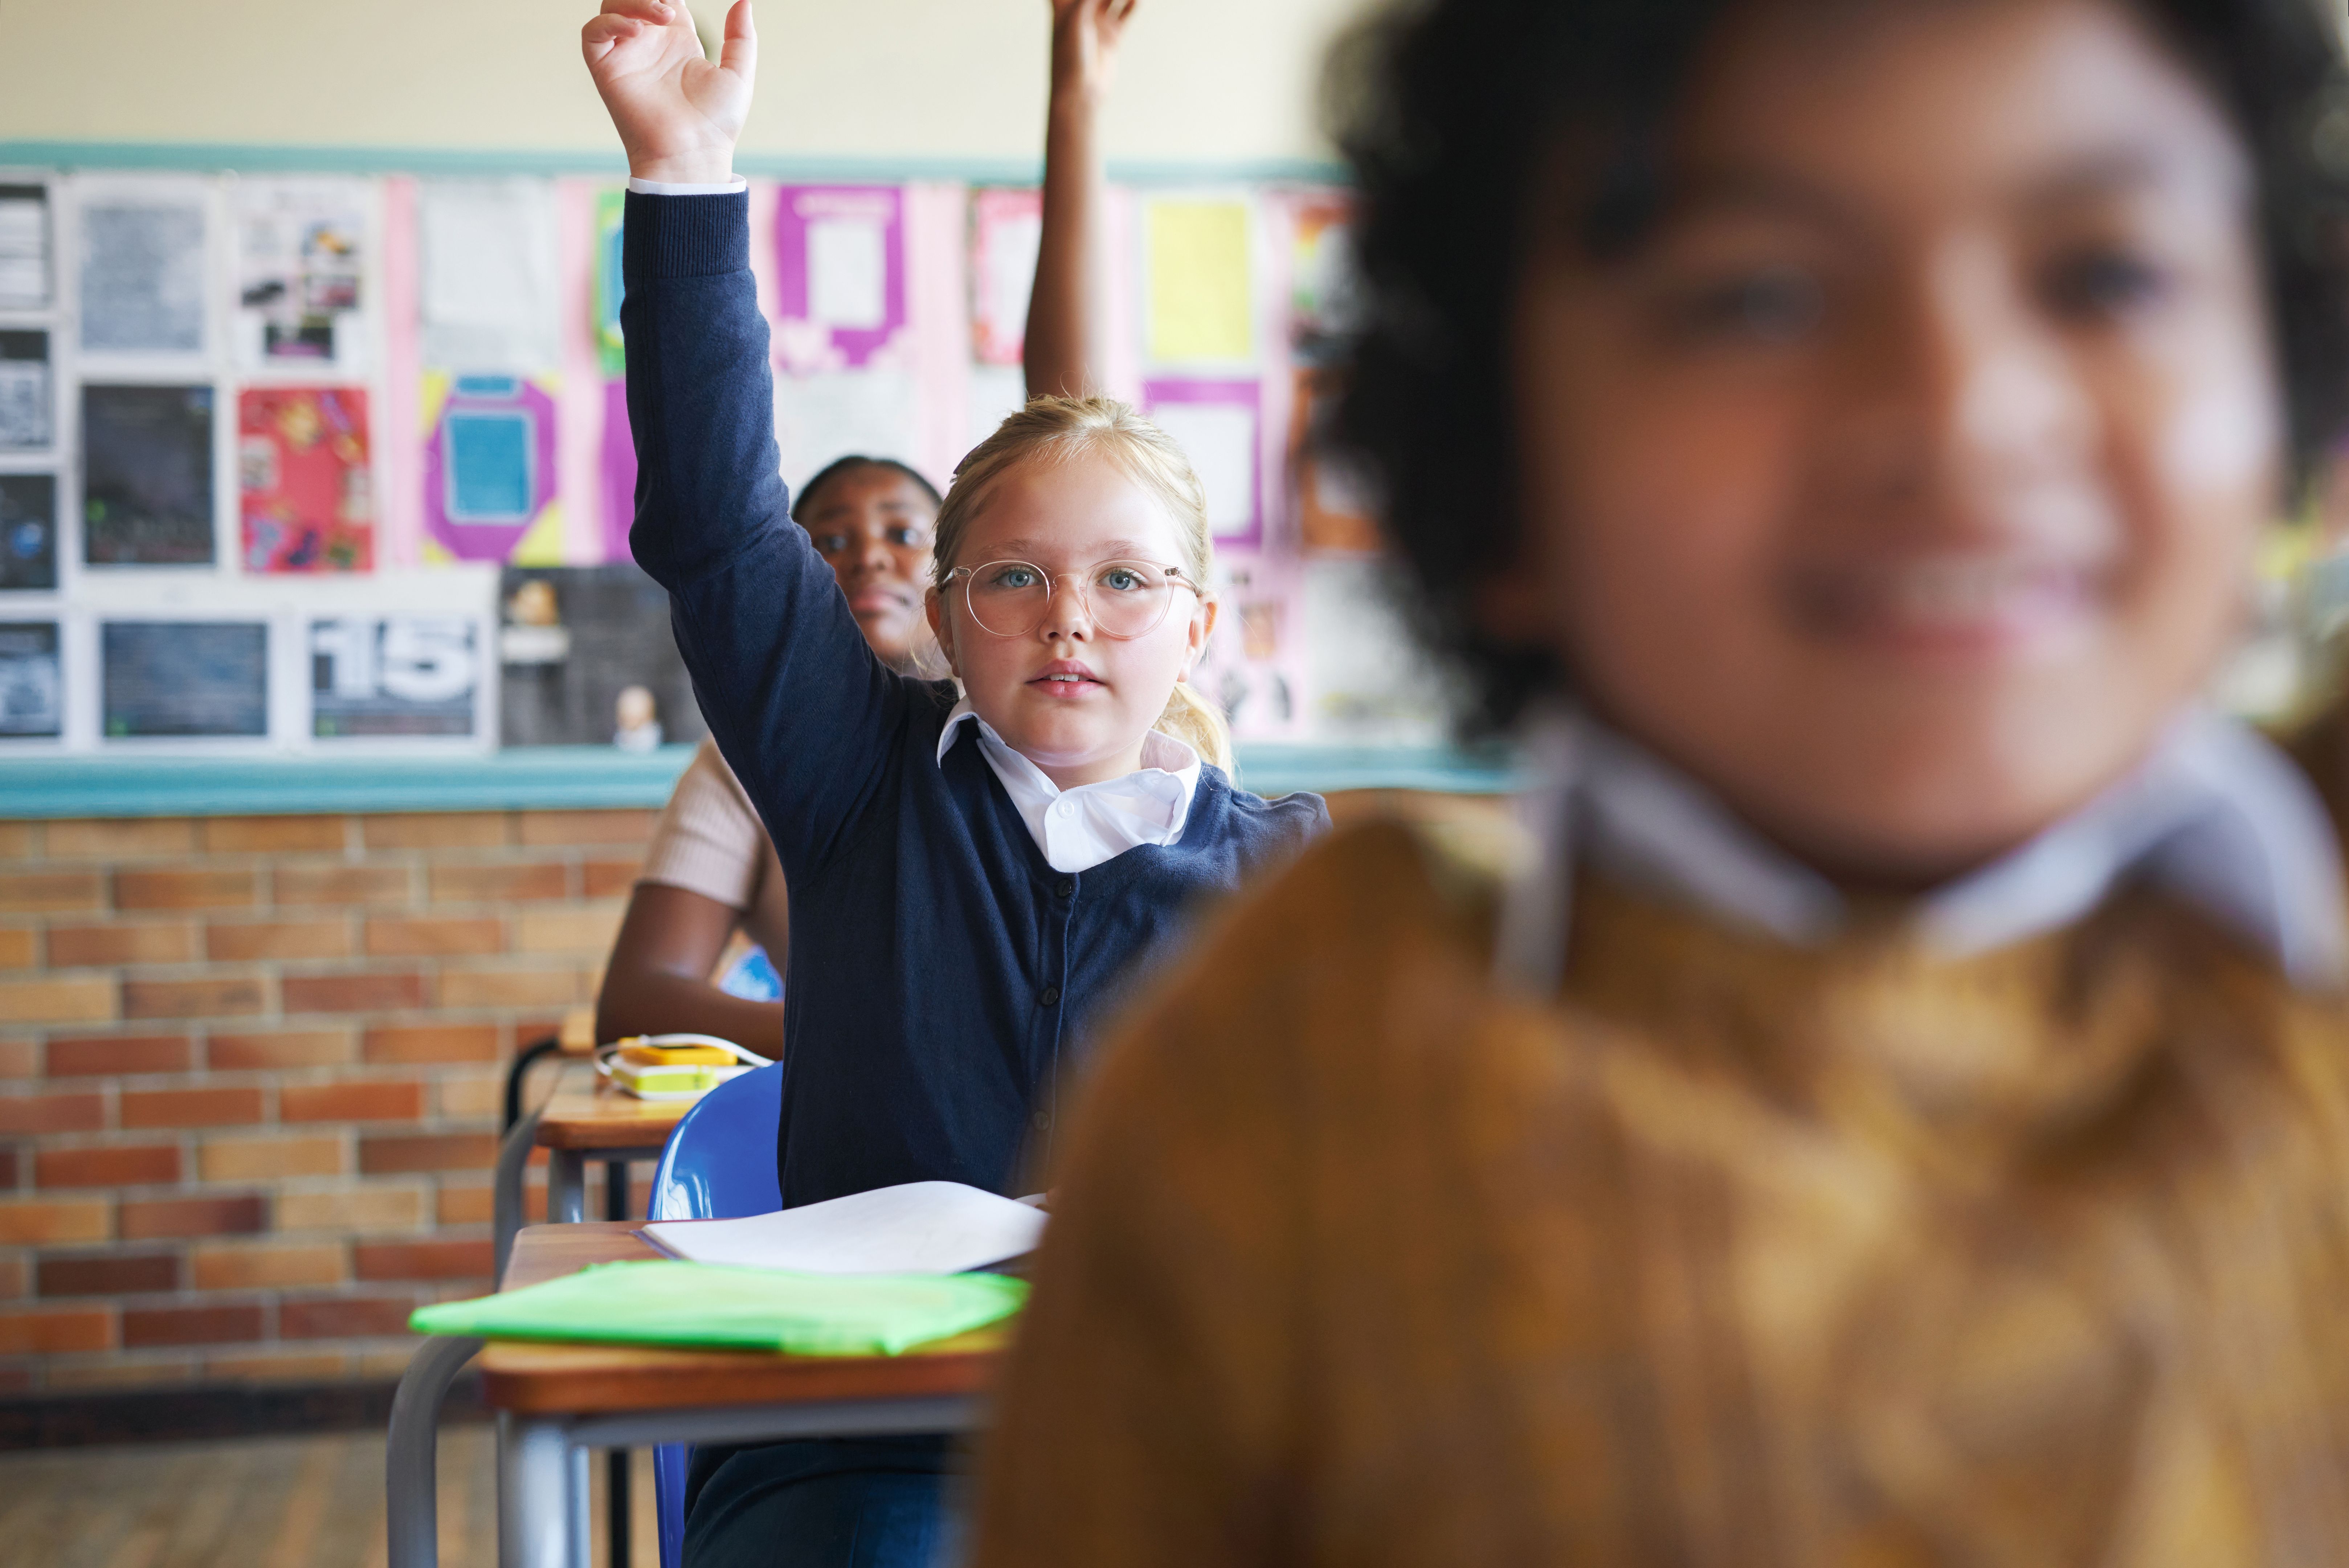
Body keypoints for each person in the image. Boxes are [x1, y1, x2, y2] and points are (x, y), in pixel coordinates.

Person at [967, 0, 2349, 1563]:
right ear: (1500, 450)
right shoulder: (1297, 1089)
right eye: (1759, 297)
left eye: (2105, 276)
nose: (1960, 414)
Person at [579, 1, 1326, 1564]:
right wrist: (686, 175)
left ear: (1196, 626)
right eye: (1014, 579)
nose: (1070, 618)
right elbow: (718, 529)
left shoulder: (1275, 867)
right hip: (857, 1452)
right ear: (942, 615)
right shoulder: (856, 780)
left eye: (1125, 582)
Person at [595, 453, 942, 1056]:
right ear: (792, 587)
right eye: (831, 542)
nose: (869, 557)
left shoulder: (1031, 736)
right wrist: (870, 1042)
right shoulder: (740, 764)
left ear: (959, 572)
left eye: (904, 535)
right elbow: (638, 1004)